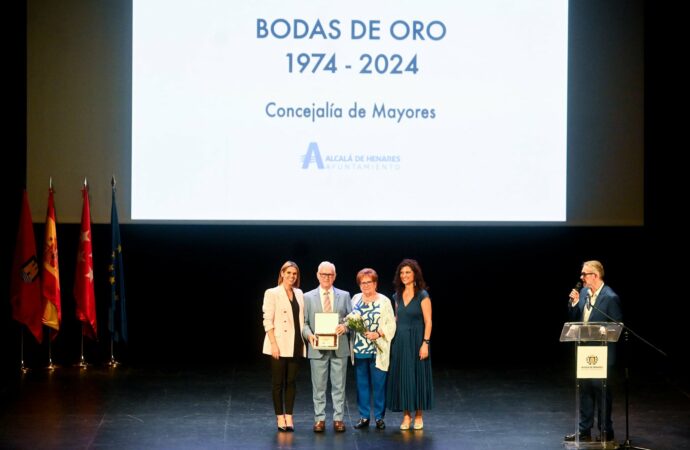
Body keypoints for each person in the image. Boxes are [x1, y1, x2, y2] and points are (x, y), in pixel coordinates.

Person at [565, 260, 623, 443]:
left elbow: (616, 326)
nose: (581, 278)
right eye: (581, 274)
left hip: (602, 355)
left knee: (602, 392)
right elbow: (576, 320)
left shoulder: (610, 297)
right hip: (584, 353)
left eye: (584, 274)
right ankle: (584, 430)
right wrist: (574, 305)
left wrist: (603, 331)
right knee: (585, 391)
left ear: (595, 276)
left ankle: (606, 431)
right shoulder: (583, 293)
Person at [302, 261, 352, 433]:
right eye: (323, 274)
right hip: (317, 347)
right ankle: (319, 419)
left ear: (335, 276)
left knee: (339, 385)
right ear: (317, 275)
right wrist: (309, 335)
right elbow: (304, 323)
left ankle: (338, 419)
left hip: (339, 346)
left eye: (330, 274)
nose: (326, 277)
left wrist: (344, 327)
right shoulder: (307, 297)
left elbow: (351, 319)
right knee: (319, 386)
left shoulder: (344, 295)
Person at [386, 258, 434, 430]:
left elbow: (428, 322)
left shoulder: (422, 295)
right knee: (403, 377)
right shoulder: (396, 296)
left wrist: (425, 343)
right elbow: (396, 319)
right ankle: (406, 416)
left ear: (415, 274)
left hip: (417, 340)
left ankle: (419, 415)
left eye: (408, 272)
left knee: (418, 376)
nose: (404, 275)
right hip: (400, 341)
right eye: (402, 273)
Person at [262, 261, 305, 432]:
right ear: (282, 273)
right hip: (278, 343)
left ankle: (289, 417)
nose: (291, 277)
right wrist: (273, 344)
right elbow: (267, 319)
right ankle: (280, 417)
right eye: (288, 273)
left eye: (294, 274)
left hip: (295, 343)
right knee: (278, 383)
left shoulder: (299, 293)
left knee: (291, 382)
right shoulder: (272, 293)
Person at [350, 268, 396, 430]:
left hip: (378, 350)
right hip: (359, 349)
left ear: (375, 283)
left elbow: (391, 323)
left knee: (379, 385)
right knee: (362, 385)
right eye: (363, 283)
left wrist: (378, 333)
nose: (366, 285)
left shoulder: (384, 301)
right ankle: (364, 417)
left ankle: (378, 417)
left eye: (369, 282)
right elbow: (350, 320)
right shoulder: (355, 299)